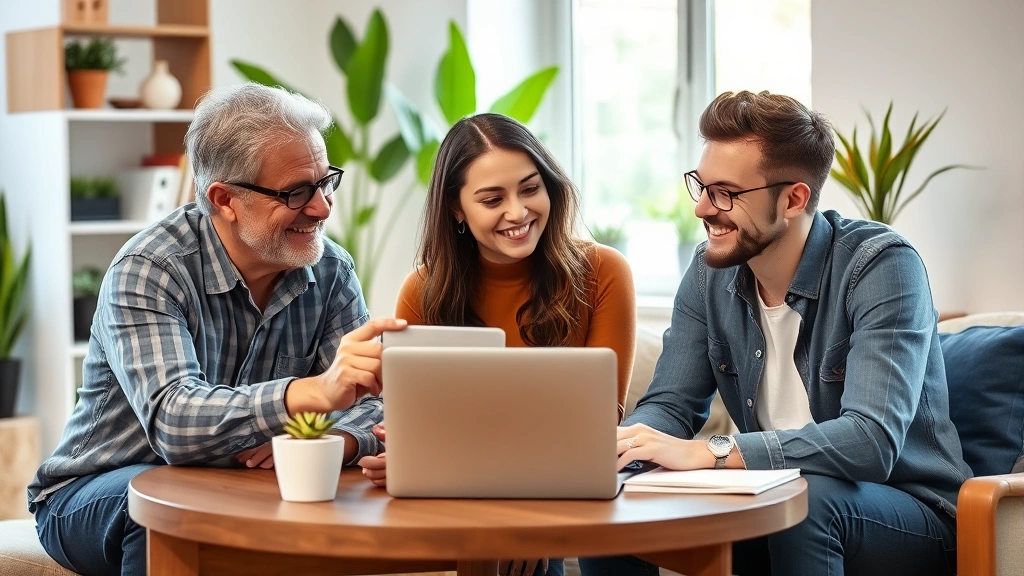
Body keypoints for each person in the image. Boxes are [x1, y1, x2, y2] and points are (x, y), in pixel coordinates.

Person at [579, 91, 972, 576]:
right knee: (617, 496)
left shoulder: (882, 266)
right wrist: (624, 448)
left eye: (725, 192)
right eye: (700, 186)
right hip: (769, 503)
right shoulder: (708, 273)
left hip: (909, 513)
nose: (702, 208)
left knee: (803, 498)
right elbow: (672, 404)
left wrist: (709, 452)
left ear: (793, 198)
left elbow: (871, 442)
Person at [28, 82, 405, 576]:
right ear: (224, 199)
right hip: (101, 489)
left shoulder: (330, 270)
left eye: (326, 181)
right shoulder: (151, 267)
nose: (322, 208)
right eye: (296, 192)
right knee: (165, 508)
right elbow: (174, 423)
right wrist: (307, 396)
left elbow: (374, 406)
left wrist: (330, 442)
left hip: (236, 486)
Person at [359, 113, 637, 576]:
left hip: (562, 486)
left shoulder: (604, 272)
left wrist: (528, 520)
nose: (518, 211)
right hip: (455, 501)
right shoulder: (422, 291)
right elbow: (420, 424)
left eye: (530, 189)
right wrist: (409, 459)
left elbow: (598, 422)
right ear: (456, 209)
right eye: (492, 199)